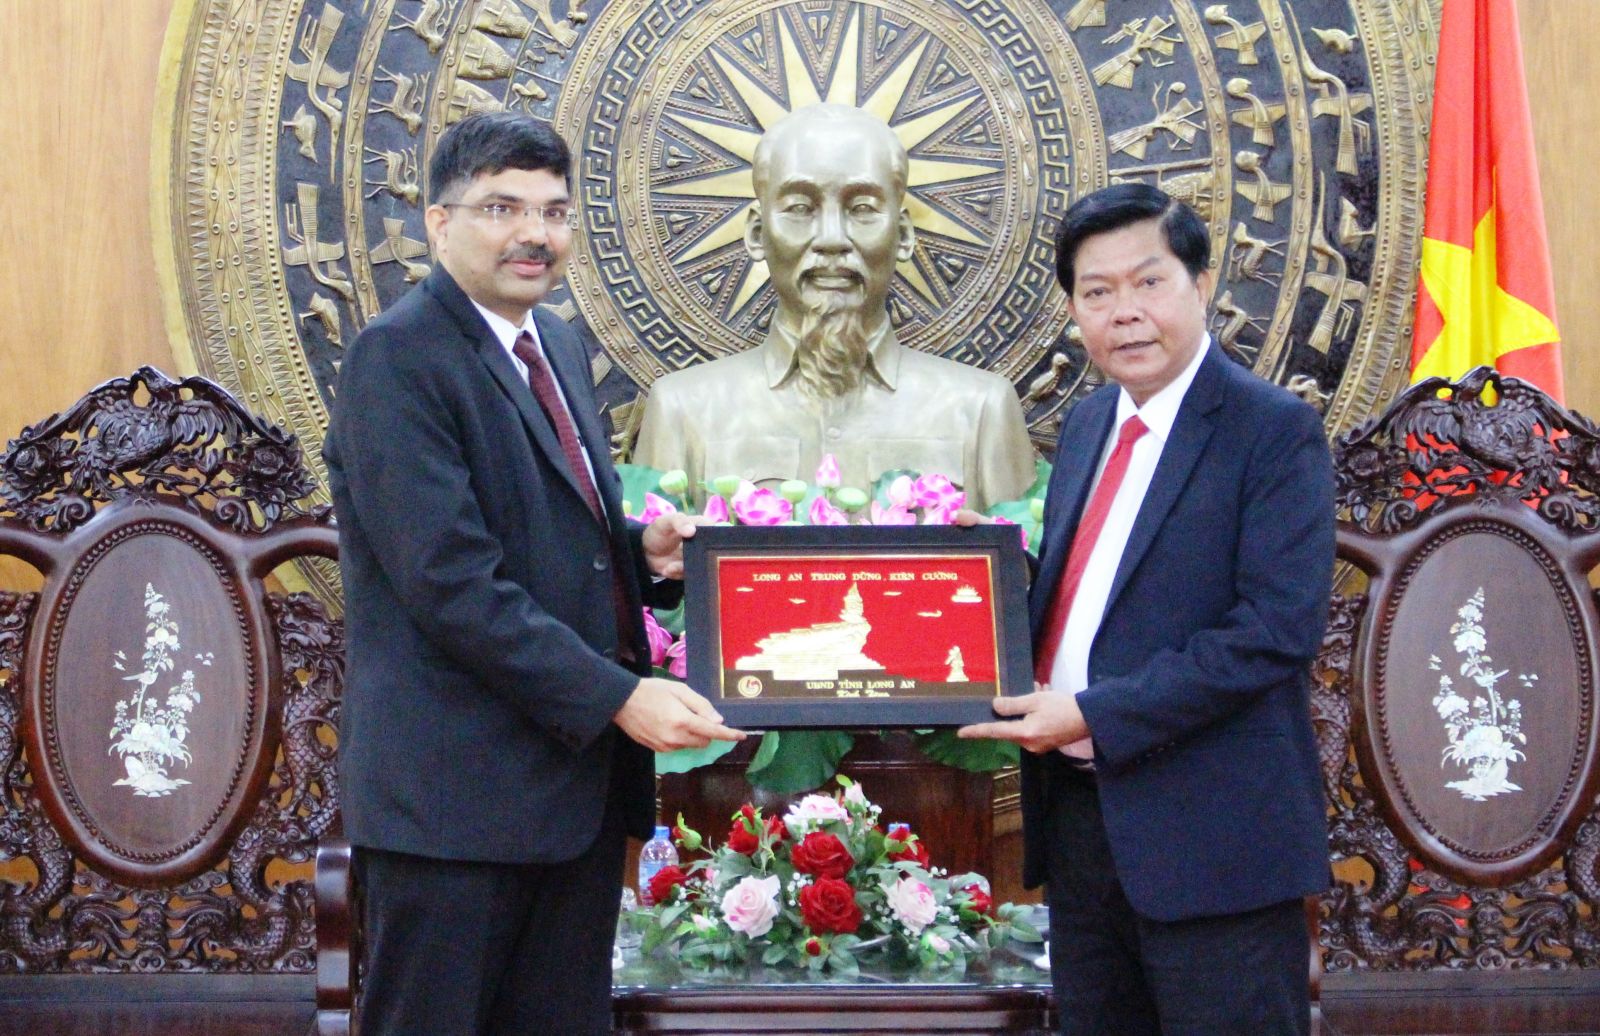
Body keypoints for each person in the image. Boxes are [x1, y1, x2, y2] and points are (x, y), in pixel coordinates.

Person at [323, 112, 743, 1036]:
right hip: (455, 806)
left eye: (554, 212)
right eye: (502, 207)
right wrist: (617, 697)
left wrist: (644, 553)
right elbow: (451, 585)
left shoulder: (548, 344)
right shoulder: (399, 358)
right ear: (438, 224)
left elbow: (545, 538)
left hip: (568, 796)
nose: (534, 234)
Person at [959, 182, 1334, 1034]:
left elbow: (1272, 634)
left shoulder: (1272, 432)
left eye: (1148, 282)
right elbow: (1089, 601)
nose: (1124, 312)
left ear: (1201, 286)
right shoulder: (1092, 423)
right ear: (1074, 309)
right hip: (1085, 831)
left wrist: (1091, 712)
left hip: (1215, 841)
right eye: (1097, 293)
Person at [633, 103, 1034, 510]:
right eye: (800, 209)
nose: (831, 239)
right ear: (756, 233)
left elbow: (1015, 568)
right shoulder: (681, 411)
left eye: (862, 209)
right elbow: (658, 566)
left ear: (904, 233)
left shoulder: (983, 411)